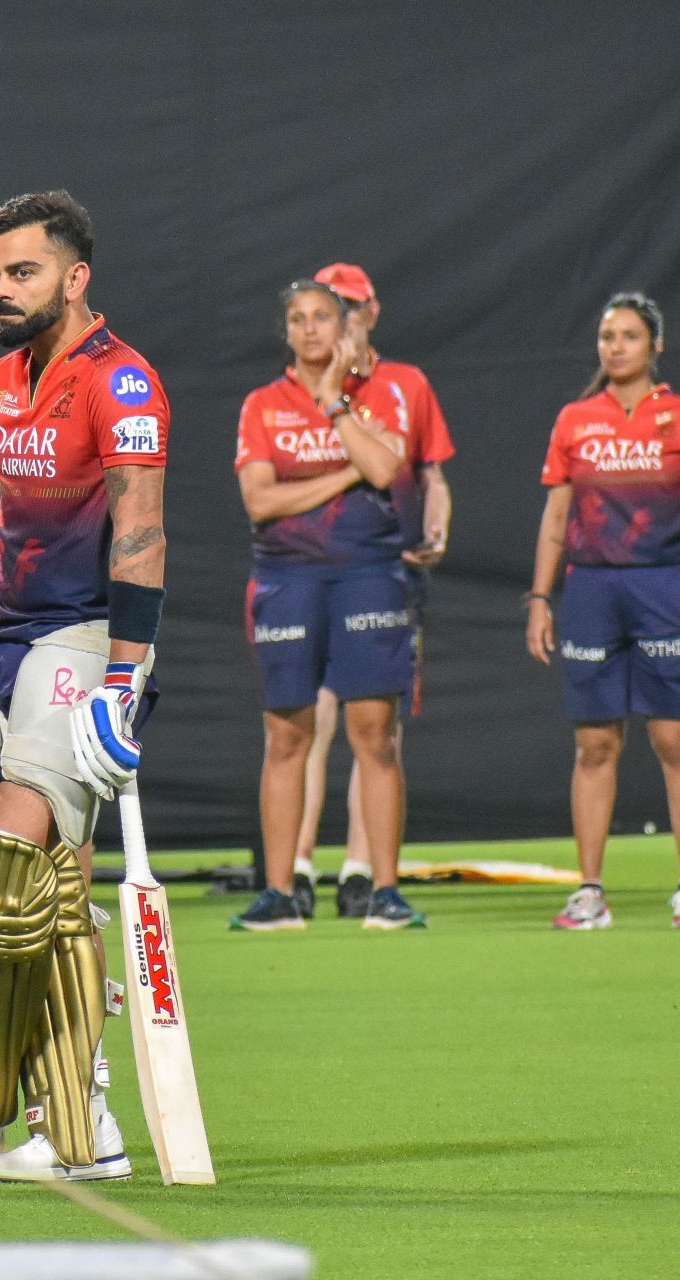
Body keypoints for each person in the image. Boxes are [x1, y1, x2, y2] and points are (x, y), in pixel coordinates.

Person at [0, 190, 168, 1183]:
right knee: (49, 888)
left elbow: (144, 530)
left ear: (74, 277)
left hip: (83, 641)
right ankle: (79, 1126)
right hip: (6, 649)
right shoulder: (1, 383)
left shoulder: (121, 383)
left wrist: (124, 680)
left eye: (20, 271)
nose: (0, 287)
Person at [231, 277, 454, 932]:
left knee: (375, 735)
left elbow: (391, 471)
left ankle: (384, 890)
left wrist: (333, 407)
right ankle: (278, 893)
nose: (309, 330)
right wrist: (350, 467)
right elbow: (261, 501)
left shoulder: (378, 395)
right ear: (287, 332)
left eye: (322, 318)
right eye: (297, 319)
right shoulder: (262, 405)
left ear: (345, 326)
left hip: (369, 575)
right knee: (287, 735)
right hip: (287, 578)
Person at [525, 292, 680, 931]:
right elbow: (557, 516)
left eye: (628, 336)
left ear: (655, 346)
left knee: (675, 736)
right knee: (594, 741)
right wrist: (540, 598)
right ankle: (590, 892)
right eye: (606, 335)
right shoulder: (574, 420)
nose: (614, 346)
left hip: (665, 588)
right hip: (590, 591)